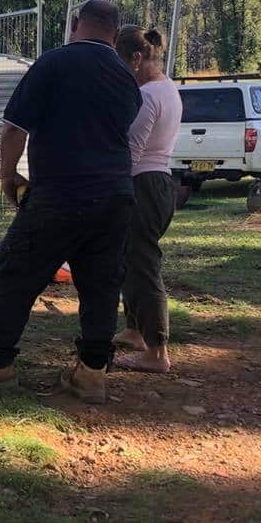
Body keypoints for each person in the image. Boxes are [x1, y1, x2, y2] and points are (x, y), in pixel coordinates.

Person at [0, 0, 141, 403]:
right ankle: (91, 374)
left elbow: (14, 128)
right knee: (101, 284)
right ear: (114, 31)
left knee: (11, 273)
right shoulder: (126, 77)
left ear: (76, 25)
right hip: (116, 196)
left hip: (61, 193)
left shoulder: (54, 63)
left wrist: (8, 173)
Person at [111, 26, 182, 372]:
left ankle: (157, 351)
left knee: (143, 265)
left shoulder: (149, 96)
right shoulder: (167, 88)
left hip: (144, 185)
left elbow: (131, 152)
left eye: (120, 63)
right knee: (131, 260)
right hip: (157, 182)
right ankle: (135, 330)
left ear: (137, 59)